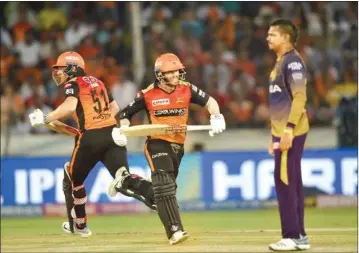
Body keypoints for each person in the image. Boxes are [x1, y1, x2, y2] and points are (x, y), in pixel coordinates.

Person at [29, 51, 155, 237]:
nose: (58, 73)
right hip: (113, 134)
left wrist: (46, 117)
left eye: (62, 69)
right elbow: (115, 108)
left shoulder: (73, 83)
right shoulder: (99, 82)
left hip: (90, 138)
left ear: (72, 68)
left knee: (74, 179)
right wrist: (102, 124)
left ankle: (80, 226)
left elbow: (70, 106)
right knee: (124, 178)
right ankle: (154, 193)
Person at [111, 53, 226, 245]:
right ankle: (175, 231)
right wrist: (122, 128)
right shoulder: (147, 94)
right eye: (170, 73)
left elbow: (210, 102)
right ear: (160, 75)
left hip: (178, 145)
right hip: (156, 143)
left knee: (165, 194)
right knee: (164, 186)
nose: (175, 76)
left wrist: (216, 116)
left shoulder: (187, 89)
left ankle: (128, 182)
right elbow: (125, 113)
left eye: (177, 72)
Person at [266, 19, 311, 251]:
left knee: (284, 182)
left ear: (285, 37)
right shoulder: (281, 62)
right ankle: (300, 236)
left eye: (272, 34)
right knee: (291, 182)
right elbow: (279, 102)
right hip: (283, 132)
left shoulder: (292, 63)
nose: (268, 38)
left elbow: (300, 97)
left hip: (291, 131)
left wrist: (288, 130)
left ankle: (292, 236)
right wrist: (274, 135)